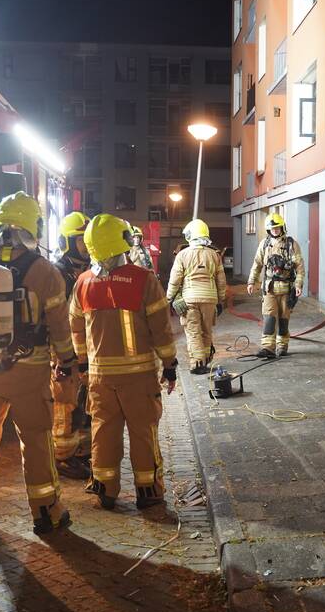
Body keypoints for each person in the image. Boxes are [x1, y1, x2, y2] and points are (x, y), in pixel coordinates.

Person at [0, 191, 76, 535]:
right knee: (36, 440)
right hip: (29, 369)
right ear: (31, 225)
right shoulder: (45, 272)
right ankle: (46, 513)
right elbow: (58, 327)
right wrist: (67, 360)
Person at [69, 214, 178, 510]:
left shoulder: (82, 283)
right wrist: (169, 365)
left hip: (99, 378)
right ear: (122, 242)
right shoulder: (144, 279)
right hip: (139, 377)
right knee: (143, 432)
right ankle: (147, 491)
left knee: (103, 431)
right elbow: (161, 329)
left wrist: (82, 363)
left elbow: (75, 328)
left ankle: (105, 487)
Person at [50, 211, 92, 479]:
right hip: (63, 351)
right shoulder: (57, 274)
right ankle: (62, 458)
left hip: (85, 350)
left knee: (84, 404)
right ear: (67, 241)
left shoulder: (86, 272)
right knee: (65, 405)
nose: (86, 247)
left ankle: (81, 452)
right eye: (80, 241)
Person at [166, 219, 226, 375]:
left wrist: (169, 298)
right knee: (206, 331)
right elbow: (221, 280)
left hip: (189, 299)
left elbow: (175, 279)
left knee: (193, 332)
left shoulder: (182, 255)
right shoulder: (214, 255)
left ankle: (197, 364)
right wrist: (221, 300)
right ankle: (205, 360)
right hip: (210, 299)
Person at [247, 213, 305, 358]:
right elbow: (257, 264)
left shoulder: (291, 244)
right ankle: (268, 348)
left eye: (277, 228)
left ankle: (282, 346)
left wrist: (298, 284)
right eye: (272, 229)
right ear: (268, 230)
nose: (275, 231)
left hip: (286, 289)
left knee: (283, 320)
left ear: (282, 228)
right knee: (269, 318)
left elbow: (299, 266)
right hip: (269, 289)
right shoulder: (264, 244)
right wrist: (251, 281)